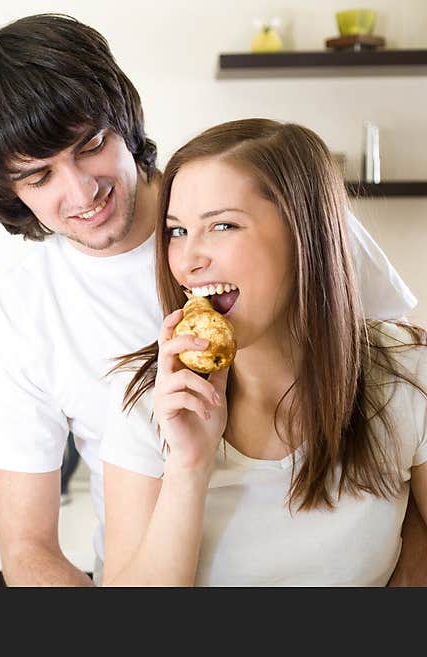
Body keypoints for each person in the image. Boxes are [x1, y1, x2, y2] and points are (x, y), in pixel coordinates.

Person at [0, 13, 425, 586]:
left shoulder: (282, 214)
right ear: (9, 193)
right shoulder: (26, 321)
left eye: (90, 145)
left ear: (124, 122)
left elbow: (397, 422)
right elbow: (28, 554)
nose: (81, 191)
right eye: (39, 177)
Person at [99, 118, 427, 586]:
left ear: (305, 235)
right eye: (176, 231)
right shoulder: (147, 401)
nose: (189, 260)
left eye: (223, 225)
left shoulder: (408, 373)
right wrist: (189, 463)